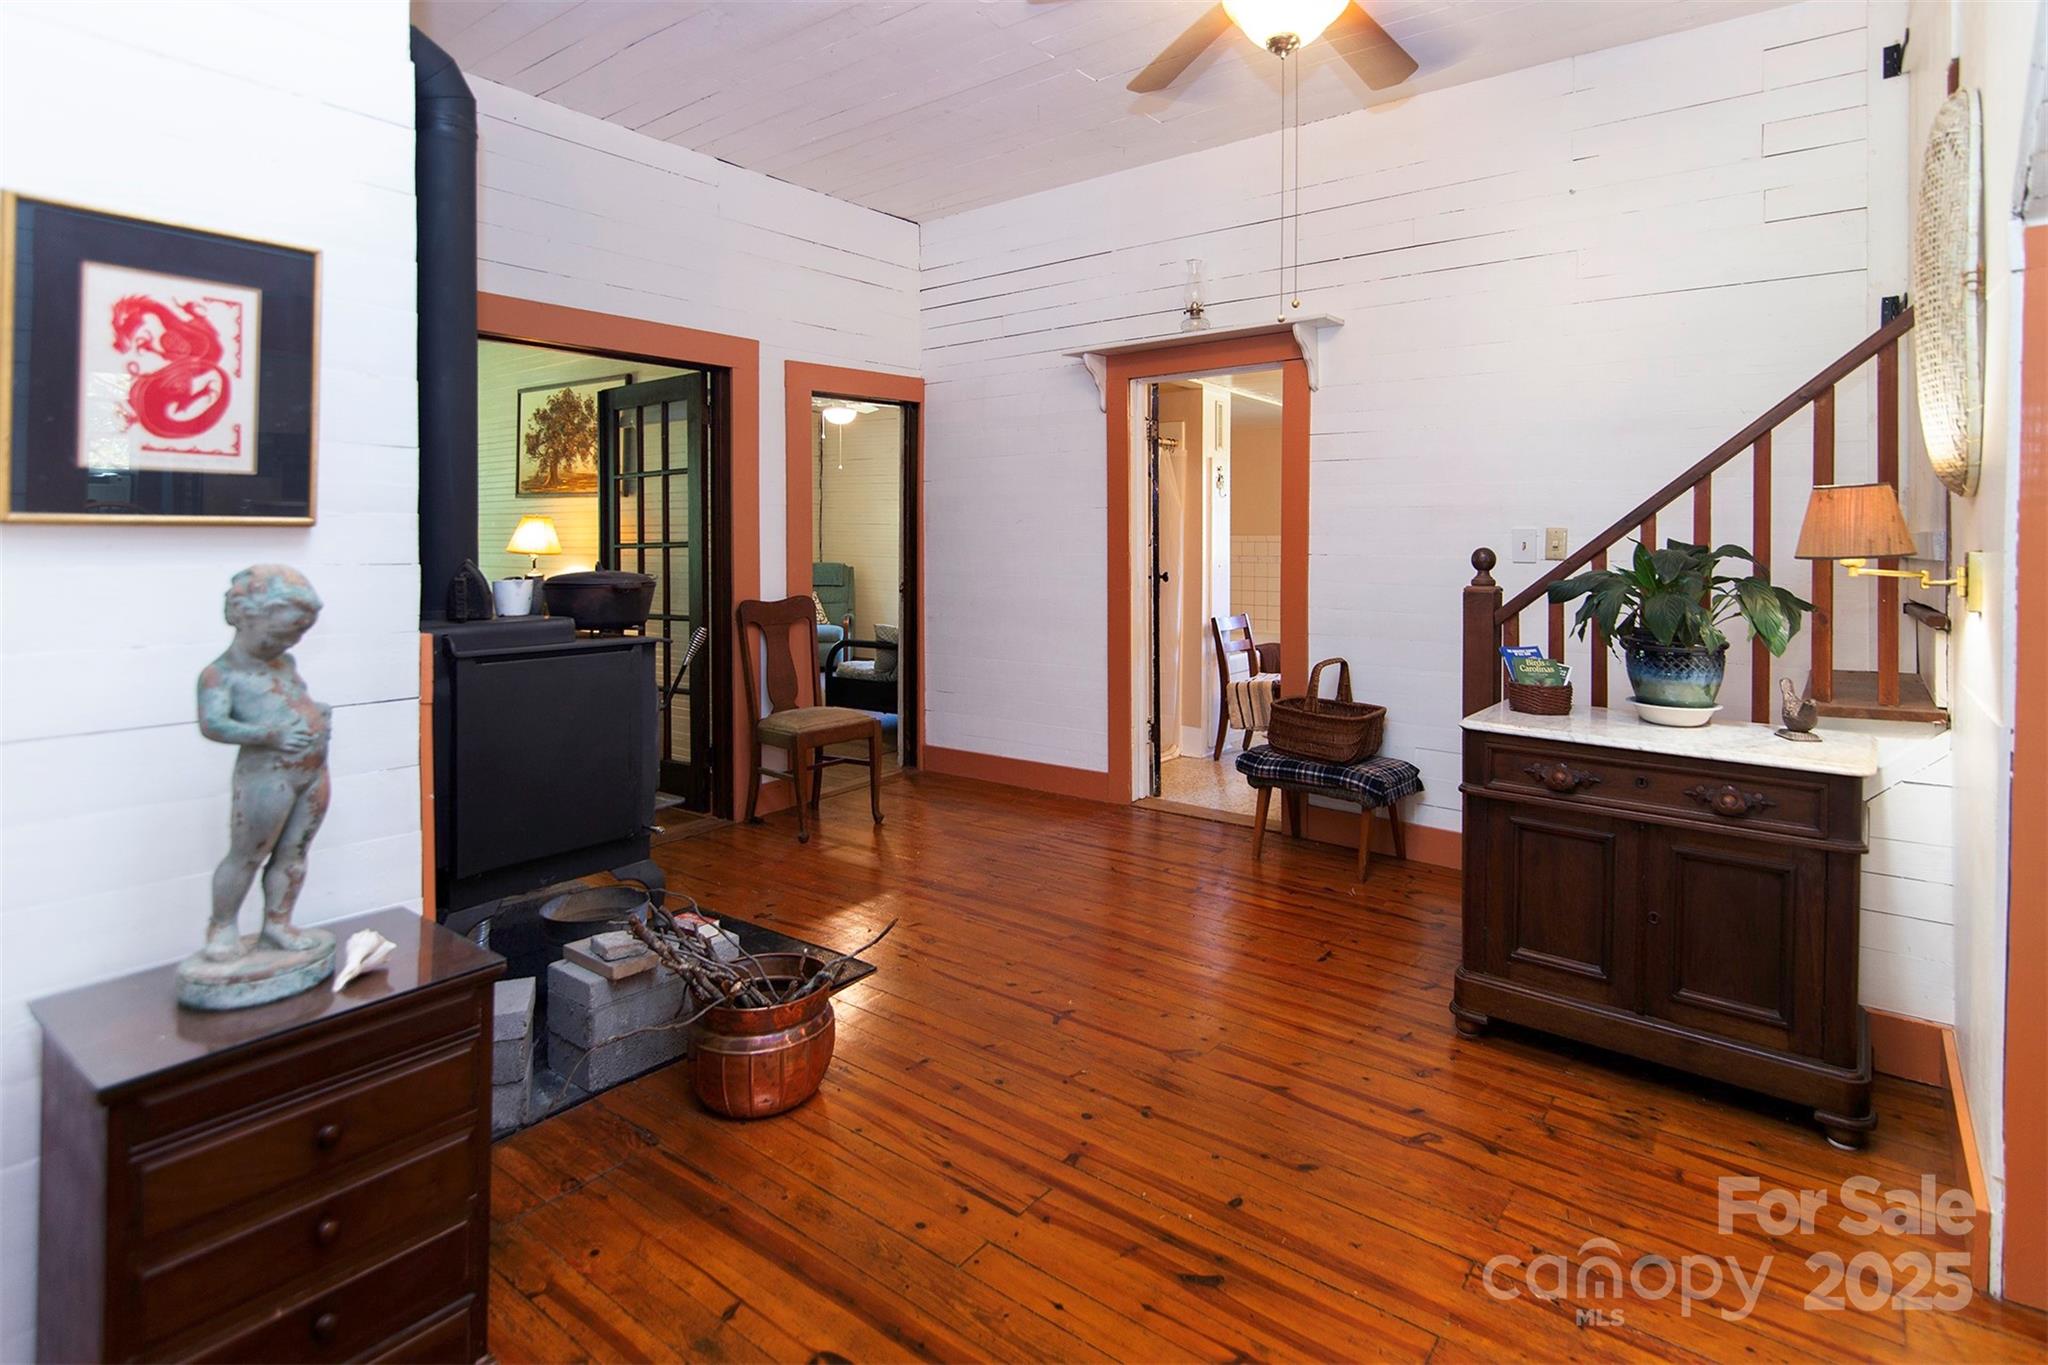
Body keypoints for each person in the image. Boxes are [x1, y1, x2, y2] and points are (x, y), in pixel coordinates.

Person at [196, 565, 331, 961]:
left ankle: (278, 924)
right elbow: (214, 723)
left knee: (294, 853)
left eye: (299, 634)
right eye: (282, 633)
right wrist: (270, 734)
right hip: (268, 773)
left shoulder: (284, 665)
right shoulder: (220, 674)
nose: (290, 642)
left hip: (312, 768)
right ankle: (222, 927)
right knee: (248, 854)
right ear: (246, 616)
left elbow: (291, 699)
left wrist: (317, 714)